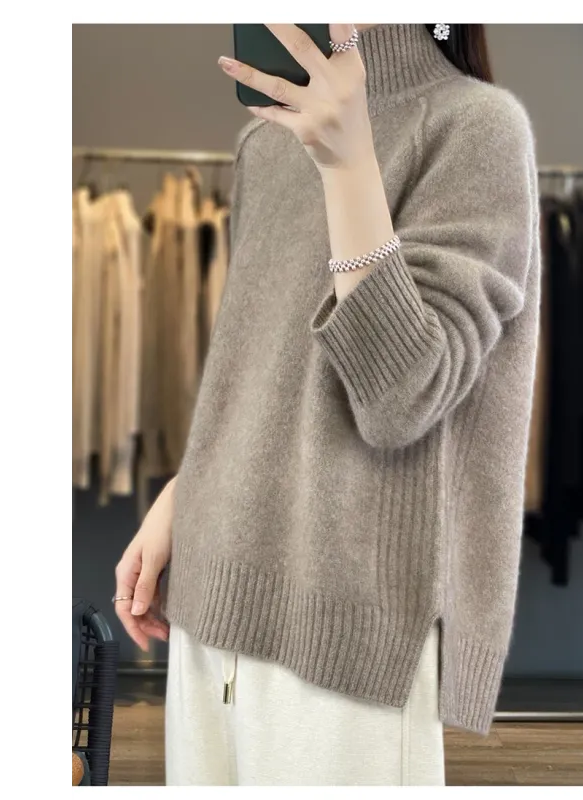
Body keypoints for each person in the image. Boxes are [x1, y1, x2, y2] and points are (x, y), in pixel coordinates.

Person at [114, 23, 540, 786]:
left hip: (346, 627)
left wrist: (349, 165)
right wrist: (186, 492)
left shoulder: (476, 125)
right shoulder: (266, 142)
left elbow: (403, 398)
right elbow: (263, 367)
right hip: (211, 595)